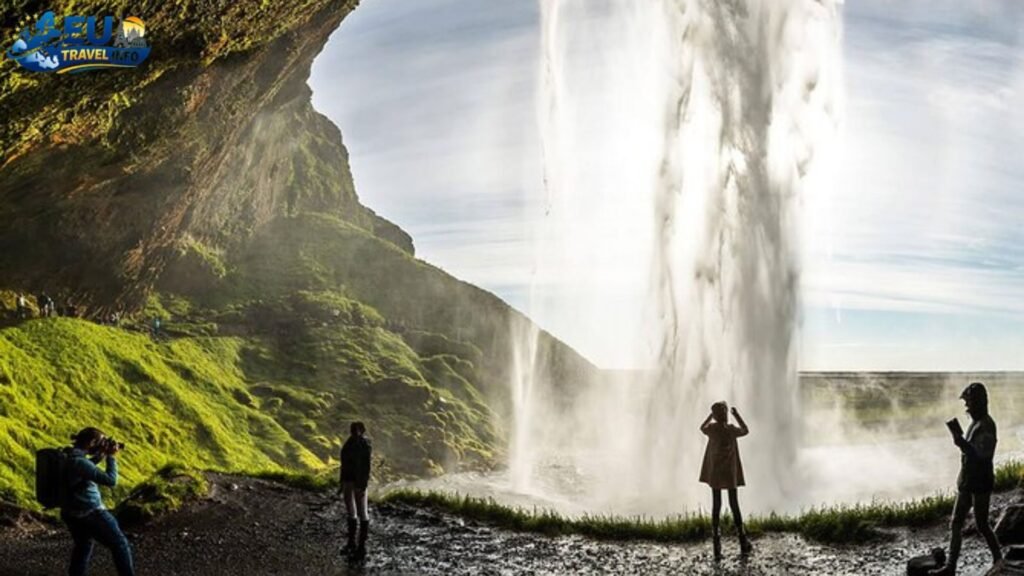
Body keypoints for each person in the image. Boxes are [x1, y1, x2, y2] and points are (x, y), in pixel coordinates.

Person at [930, 382, 1002, 575]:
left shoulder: (986, 425)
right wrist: (962, 443)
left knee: (982, 524)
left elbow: (982, 455)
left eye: (969, 402)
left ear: (978, 402)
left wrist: (961, 443)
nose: (967, 406)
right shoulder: (977, 423)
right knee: (956, 522)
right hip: (968, 480)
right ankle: (950, 567)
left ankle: (999, 559)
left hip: (980, 482)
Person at [62, 427, 135, 576]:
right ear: (92, 442)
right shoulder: (79, 462)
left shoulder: (69, 455)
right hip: (90, 512)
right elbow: (111, 480)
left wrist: (100, 455)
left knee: (83, 545)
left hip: (71, 512)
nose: (103, 444)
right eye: (101, 441)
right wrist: (111, 457)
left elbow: (85, 469)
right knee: (120, 544)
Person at [699, 401, 753, 561]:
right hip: (730, 473)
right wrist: (737, 415)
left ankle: (716, 546)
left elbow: (702, 427)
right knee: (734, 504)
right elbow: (746, 430)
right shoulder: (731, 430)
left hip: (716, 472)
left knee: (716, 505)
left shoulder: (712, 429)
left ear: (715, 416)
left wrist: (711, 417)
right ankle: (743, 542)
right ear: (725, 415)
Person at [339, 421, 372, 561]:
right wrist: (341, 482)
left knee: (362, 511)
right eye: (353, 429)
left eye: (356, 429)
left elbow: (366, 466)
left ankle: (361, 546)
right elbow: (344, 464)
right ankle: (352, 543)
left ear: (362, 431)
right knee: (351, 511)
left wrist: (363, 484)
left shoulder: (364, 444)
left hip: (357, 481)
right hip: (348, 480)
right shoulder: (350, 443)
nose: (354, 431)